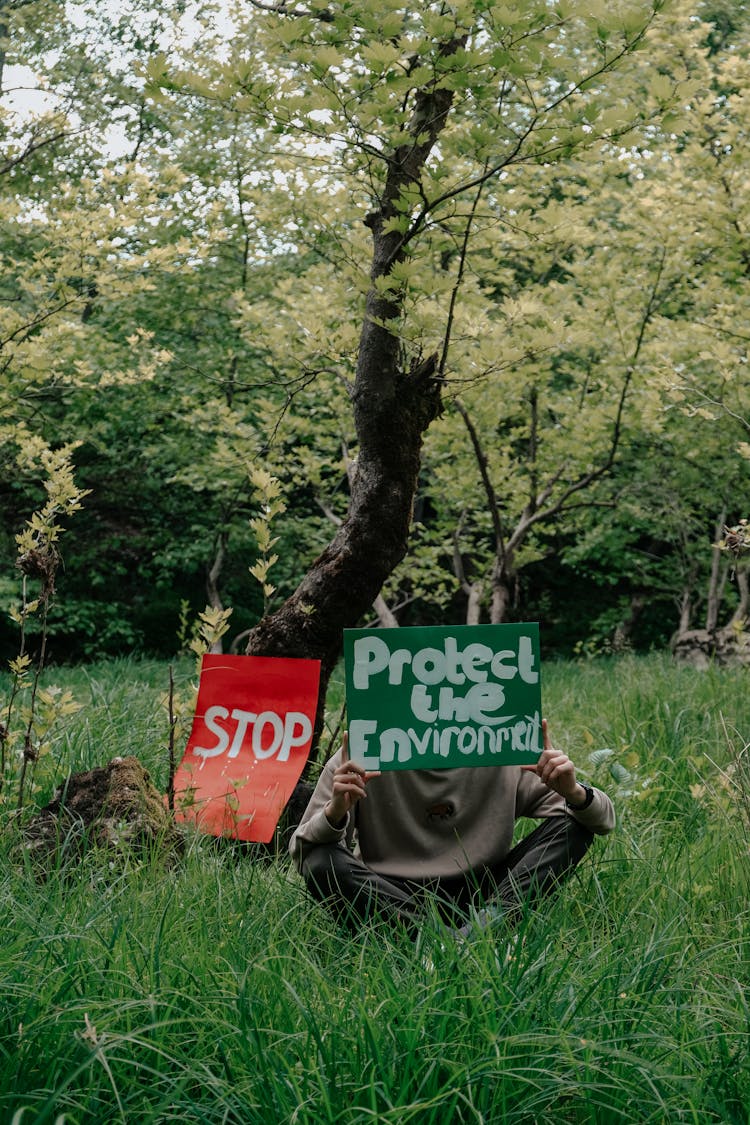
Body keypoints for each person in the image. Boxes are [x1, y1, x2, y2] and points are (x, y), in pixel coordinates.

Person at [289, 719, 615, 938]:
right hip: (393, 895)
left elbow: (600, 820)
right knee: (321, 861)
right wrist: (336, 812)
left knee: (575, 824)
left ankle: (479, 933)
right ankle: (447, 944)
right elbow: (305, 852)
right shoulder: (360, 757)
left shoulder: (502, 750)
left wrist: (573, 792)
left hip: (484, 891)